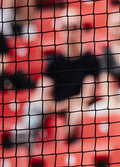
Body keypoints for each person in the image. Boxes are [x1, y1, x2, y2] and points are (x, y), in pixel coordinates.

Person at [9, 9, 101, 147]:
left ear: (81, 29)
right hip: (54, 105)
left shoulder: (91, 61)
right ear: (60, 30)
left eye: (74, 27)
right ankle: (25, 143)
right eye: (65, 27)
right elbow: (41, 92)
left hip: (75, 106)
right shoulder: (55, 62)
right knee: (35, 104)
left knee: (78, 111)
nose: (69, 31)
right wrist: (52, 105)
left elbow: (86, 96)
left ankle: (63, 152)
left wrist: (59, 106)